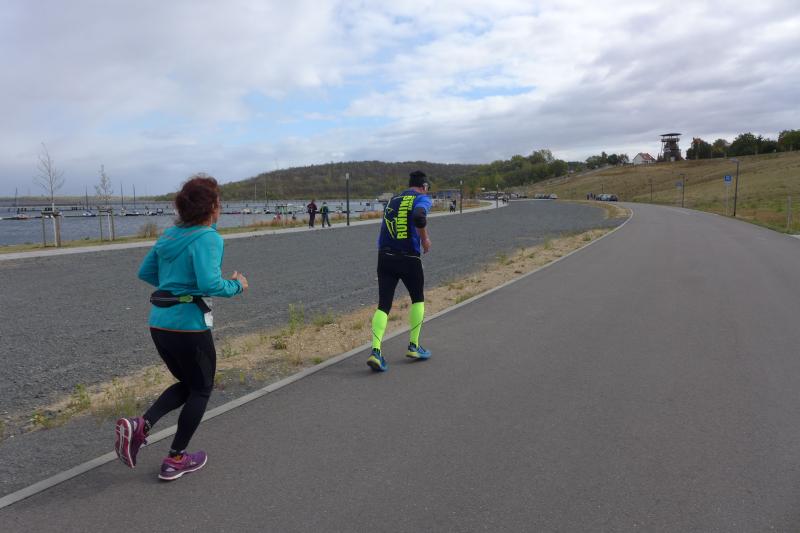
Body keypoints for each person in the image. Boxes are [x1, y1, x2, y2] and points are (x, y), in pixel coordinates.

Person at [115, 174, 248, 481]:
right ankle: (176, 459)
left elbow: (146, 271)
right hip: (189, 327)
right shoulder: (208, 238)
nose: (221, 206)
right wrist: (237, 285)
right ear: (212, 206)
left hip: (160, 325)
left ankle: (140, 426)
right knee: (202, 388)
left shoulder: (170, 235)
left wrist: (173, 286)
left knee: (189, 383)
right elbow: (210, 284)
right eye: (219, 201)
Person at [367, 170, 433, 372]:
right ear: (424, 186)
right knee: (418, 299)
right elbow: (419, 216)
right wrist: (424, 239)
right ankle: (414, 345)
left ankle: (376, 351)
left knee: (384, 304)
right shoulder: (422, 198)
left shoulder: (393, 200)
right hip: (408, 257)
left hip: (385, 257)